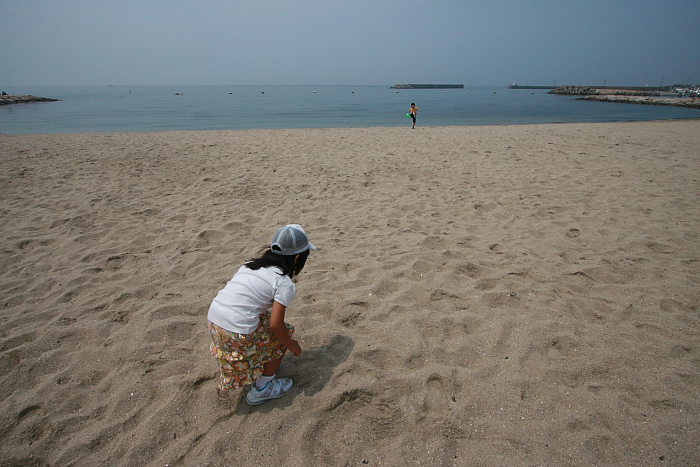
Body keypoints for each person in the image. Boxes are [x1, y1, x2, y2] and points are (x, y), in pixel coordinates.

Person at [207, 224, 317, 405]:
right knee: (282, 335)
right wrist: (291, 344)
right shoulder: (283, 282)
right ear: (298, 257)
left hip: (214, 322)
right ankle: (263, 388)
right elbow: (276, 325)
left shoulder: (249, 266)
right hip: (235, 331)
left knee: (264, 320)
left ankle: (257, 363)